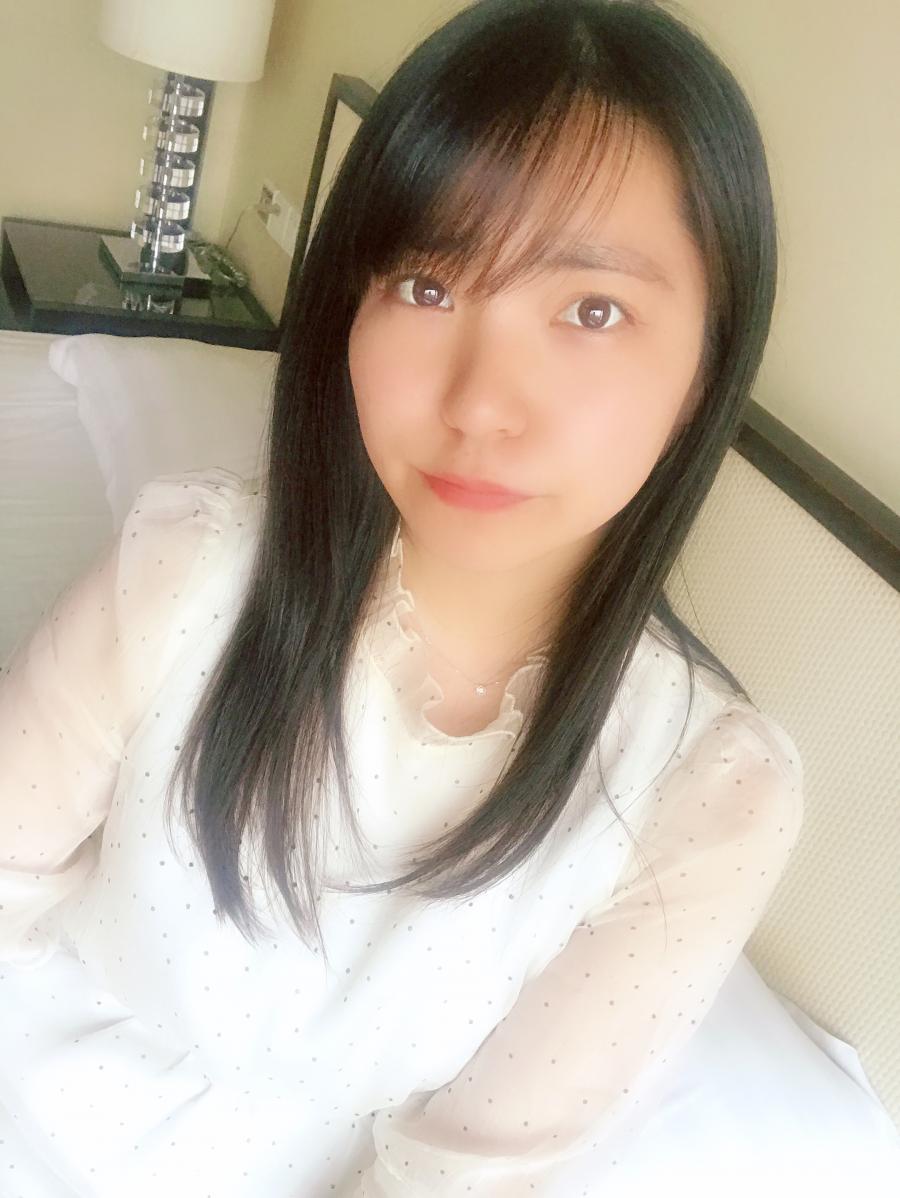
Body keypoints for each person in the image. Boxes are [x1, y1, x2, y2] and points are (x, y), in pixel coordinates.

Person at [0, 1, 805, 1195]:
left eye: (591, 310)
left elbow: (463, 1171)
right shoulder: (191, 568)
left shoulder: (706, 791)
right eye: (427, 286)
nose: (480, 402)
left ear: (708, 366)